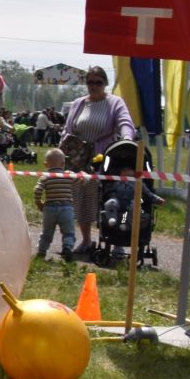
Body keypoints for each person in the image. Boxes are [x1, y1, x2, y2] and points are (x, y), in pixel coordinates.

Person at [61, 65, 136, 256]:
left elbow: (125, 123)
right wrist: (62, 148)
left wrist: (127, 139)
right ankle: (86, 240)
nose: (93, 86)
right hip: (78, 158)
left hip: (103, 157)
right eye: (90, 82)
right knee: (81, 198)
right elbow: (68, 129)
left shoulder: (115, 102)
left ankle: (115, 240)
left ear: (105, 83)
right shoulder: (78, 103)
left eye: (98, 82)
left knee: (109, 199)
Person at [35, 148, 77, 261]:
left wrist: (39, 203)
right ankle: (67, 247)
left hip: (49, 208)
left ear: (45, 164)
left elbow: (37, 190)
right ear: (63, 164)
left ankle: (41, 251)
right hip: (66, 208)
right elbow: (81, 180)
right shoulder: (68, 175)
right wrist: (83, 176)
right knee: (68, 232)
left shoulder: (44, 177)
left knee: (46, 233)